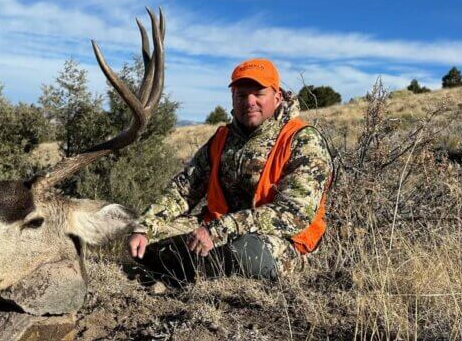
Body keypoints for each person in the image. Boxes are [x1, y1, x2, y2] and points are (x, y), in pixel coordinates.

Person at [128, 58, 333, 283]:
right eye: (241, 95)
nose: (249, 102)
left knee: (246, 253)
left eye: (258, 93)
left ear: (277, 97)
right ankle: (189, 267)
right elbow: (183, 190)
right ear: (233, 98)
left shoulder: (302, 139)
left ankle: (188, 269)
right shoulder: (222, 138)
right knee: (147, 244)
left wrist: (218, 231)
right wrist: (145, 228)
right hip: (218, 232)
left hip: (280, 241)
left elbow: (294, 214)